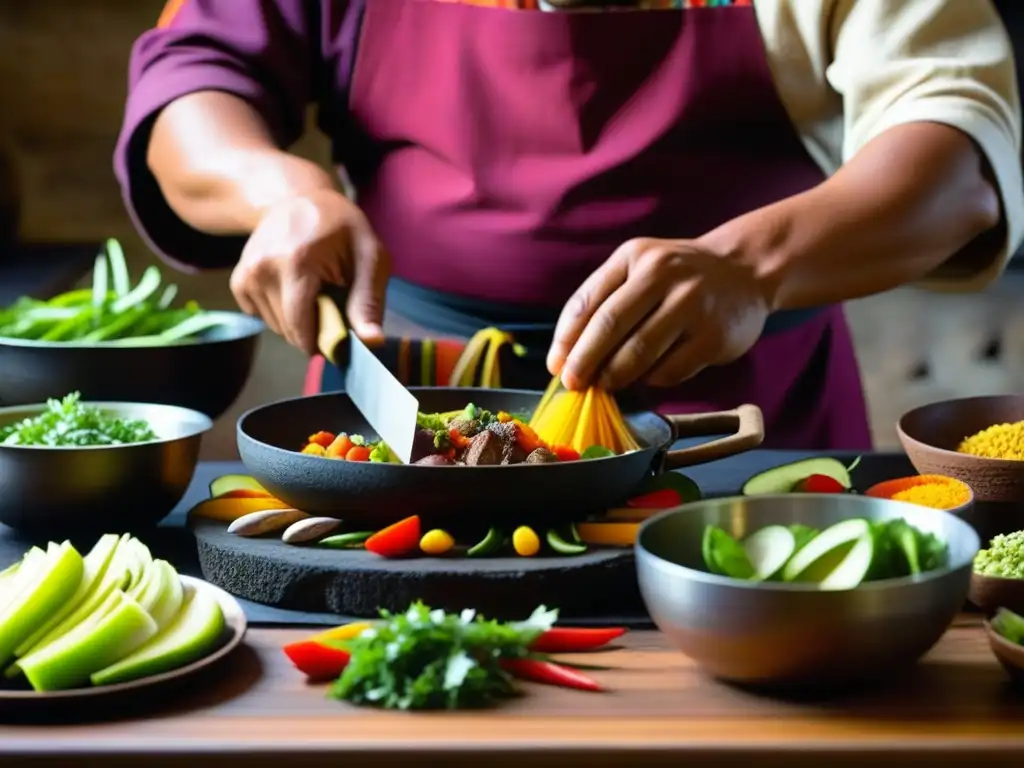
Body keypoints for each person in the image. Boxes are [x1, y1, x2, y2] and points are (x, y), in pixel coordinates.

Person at [116, 0, 1024, 450]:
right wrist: (274, 190)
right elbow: (194, 75)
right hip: (405, 422)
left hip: (746, 420)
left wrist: (751, 267)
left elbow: (959, 154)